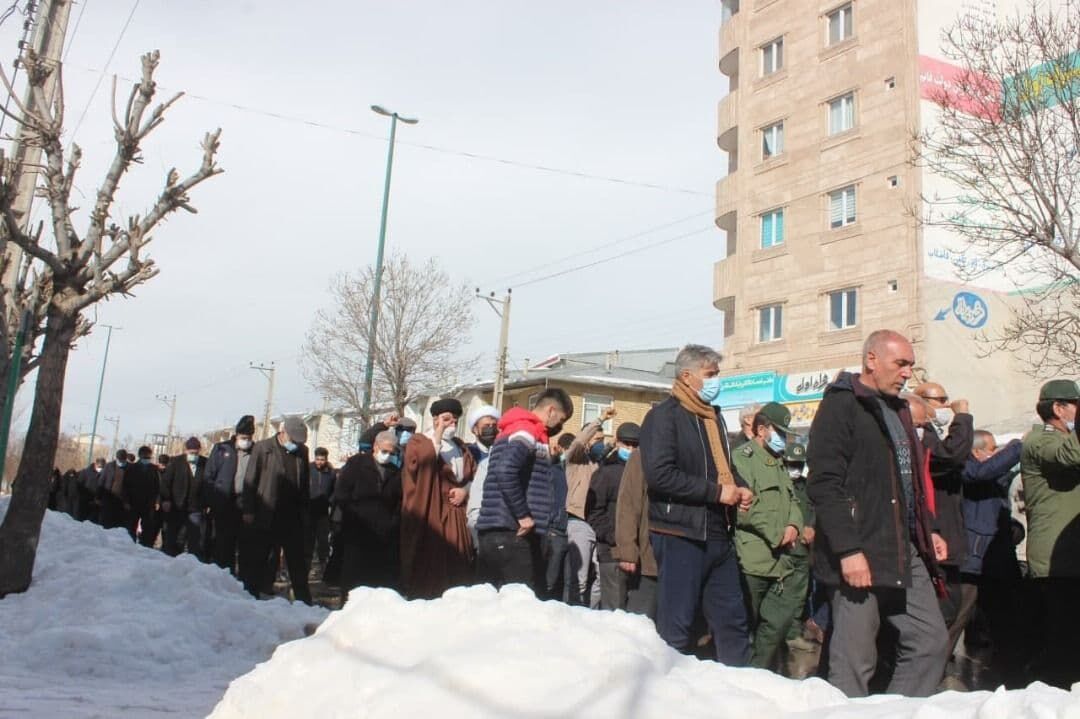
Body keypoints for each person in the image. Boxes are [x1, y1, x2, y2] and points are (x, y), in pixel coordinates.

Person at [807, 330, 949, 698]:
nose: (906, 374)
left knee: (931, 642)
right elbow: (824, 483)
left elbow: (910, 482)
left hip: (904, 548)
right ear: (871, 359)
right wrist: (848, 550)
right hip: (858, 550)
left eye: (910, 366)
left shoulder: (901, 410)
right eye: (900, 364)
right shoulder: (841, 405)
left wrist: (927, 530)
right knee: (855, 662)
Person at [640, 344, 754, 665]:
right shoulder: (663, 417)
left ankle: (739, 691)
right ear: (687, 376)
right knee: (677, 627)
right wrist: (716, 493)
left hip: (718, 534)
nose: (717, 381)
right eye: (711, 375)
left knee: (732, 623)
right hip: (680, 534)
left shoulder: (713, 418)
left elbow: (724, 468)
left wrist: (740, 488)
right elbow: (661, 475)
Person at [477, 388, 573, 591]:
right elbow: (505, 470)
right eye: (561, 420)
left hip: (496, 531)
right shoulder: (527, 431)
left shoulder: (512, 430)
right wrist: (523, 515)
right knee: (519, 606)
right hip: (512, 533)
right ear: (551, 410)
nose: (560, 426)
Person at [732, 403, 805, 669]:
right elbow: (743, 509)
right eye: (780, 433)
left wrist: (794, 526)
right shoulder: (742, 458)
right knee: (744, 627)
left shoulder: (779, 463)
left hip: (781, 562)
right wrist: (777, 534)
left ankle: (759, 675)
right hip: (753, 559)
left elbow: (793, 500)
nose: (783, 440)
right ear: (761, 430)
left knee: (776, 626)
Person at [1019, 379, 1080, 688]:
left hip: (1072, 557)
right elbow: (1071, 456)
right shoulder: (1040, 439)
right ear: (1058, 408)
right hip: (1057, 562)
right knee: (1062, 640)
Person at [913, 382, 975, 658]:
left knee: (950, 609)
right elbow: (949, 456)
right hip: (934, 534)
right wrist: (962, 419)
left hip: (947, 534)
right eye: (940, 400)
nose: (946, 405)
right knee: (940, 613)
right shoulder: (919, 434)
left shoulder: (933, 434)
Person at [962, 429, 1025, 687]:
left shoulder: (993, 478)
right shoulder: (966, 469)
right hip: (973, 563)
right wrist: (1017, 446)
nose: (996, 454)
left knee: (1002, 626)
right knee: (963, 624)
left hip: (999, 563)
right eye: (991, 449)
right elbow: (983, 472)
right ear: (977, 452)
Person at [400, 398, 476, 599]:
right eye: (446, 419)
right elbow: (421, 465)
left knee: (459, 561)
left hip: (456, 513)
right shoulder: (419, 441)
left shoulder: (460, 446)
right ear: (435, 419)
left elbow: (472, 475)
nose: (451, 424)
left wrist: (464, 491)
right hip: (432, 511)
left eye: (455, 420)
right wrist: (438, 435)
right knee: (432, 559)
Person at [242, 416, 312, 604]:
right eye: (294, 439)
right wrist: (248, 510)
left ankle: (304, 602)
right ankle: (251, 596)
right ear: (283, 433)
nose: (296, 444)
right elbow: (250, 481)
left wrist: (305, 512)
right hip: (266, 513)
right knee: (259, 559)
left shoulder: (302, 452)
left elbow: (304, 485)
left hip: (292, 517)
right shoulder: (263, 448)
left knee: (297, 563)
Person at [332, 429, 403, 595]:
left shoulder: (395, 471)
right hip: (357, 531)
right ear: (375, 447)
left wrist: (393, 522)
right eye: (384, 451)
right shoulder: (357, 463)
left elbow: (399, 501)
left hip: (383, 535)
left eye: (391, 452)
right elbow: (342, 493)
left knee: (378, 581)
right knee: (353, 580)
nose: (387, 455)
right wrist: (353, 515)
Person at [563, 408, 614, 606]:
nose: (599, 442)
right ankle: (575, 617)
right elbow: (578, 442)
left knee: (602, 579)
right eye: (595, 438)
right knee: (580, 580)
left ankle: (589, 613)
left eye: (602, 439)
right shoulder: (576, 461)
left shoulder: (599, 465)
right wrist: (600, 419)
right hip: (579, 522)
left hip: (598, 523)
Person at [587, 422, 640, 610]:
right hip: (611, 552)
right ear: (617, 443)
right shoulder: (606, 473)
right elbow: (593, 513)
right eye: (627, 444)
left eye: (635, 445)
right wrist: (613, 537)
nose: (631, 449)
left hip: (639, 552)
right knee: (613, 609)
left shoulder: (645, 473)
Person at [204, 416, 256, 574]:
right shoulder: (222, 449)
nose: (245, 441)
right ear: (236, 435)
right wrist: (211, 501)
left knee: (245, 544)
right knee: (223, 543)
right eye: (243, 438)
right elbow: (209, 476)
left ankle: (244, 578)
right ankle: (224, 574)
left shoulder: (256, 451)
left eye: (248, 438)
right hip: (224, 502)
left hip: (244, 502)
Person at [612, 444, 658, 619]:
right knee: (640, 622)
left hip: (685, 559)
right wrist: (628, 551)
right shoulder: (643, 455)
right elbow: (628, 504)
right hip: (650, 556)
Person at [160, 438, 209, 558]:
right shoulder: (176, 462)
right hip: (177, 506)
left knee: (194, 537)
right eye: (191, 452)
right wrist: (166, 500)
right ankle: (171, 559)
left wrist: (206, 503)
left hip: (195, 507)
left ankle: (193, 562)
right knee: (175, 536)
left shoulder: (205, 463)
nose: (193, 455)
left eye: (196, 453)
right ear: (186, 451)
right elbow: (165, 483)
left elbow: (208, 484)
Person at [465, 404, 501, 546]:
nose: (490, 429)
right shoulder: (468, 452)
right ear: (475, 429)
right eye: (486, 425)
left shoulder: (501, 451)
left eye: (494, 425)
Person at [543, 433, 571, 601]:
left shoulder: (575, 471)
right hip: (555, 530)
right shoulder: (553, 471)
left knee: (568, 581)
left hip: (571, 529)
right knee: (550, 579)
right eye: (567, 449)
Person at [306, 447, 336, 575]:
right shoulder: (308, 469)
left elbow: (335, 490)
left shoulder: (331, 472)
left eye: (322, 460)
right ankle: (306, 566)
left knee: (323, 541)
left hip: (323, 512)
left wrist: (330, 501)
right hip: (309, 510)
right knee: (308, 540)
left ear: (326, 459)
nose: (319, 462)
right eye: (317, 459)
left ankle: (323, 565)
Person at [123, 446, 161, 547]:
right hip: (133, 502)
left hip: (148, 503)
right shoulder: (132, 468)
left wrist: (157, 501)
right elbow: (125, 486)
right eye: (145, 457)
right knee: (131, 526)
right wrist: (126, 501)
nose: (147, 459)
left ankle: (145, 546)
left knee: (147, 527)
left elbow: (158, 486)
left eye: (148, 457)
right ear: (140, 456)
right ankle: (129, 545)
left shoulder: (154, 469)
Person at [97, 450, 130, 530]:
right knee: (106, 522)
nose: (121, 462)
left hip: (122, 502)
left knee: (119, 525)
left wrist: (128, 501)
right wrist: (98, 497)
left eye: (123, 460)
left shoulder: (130, 468)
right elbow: (101, 481)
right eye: (120, 460)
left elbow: (132, 486)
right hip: (108, 499)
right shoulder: (109, 466)